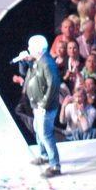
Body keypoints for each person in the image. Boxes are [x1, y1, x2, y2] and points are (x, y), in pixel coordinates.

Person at [13, 34, 62, 177]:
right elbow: (25, 73)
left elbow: (53, 84)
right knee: (38, 129)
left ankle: (55, 166)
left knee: (46, 134)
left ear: (38, 49)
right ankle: (44, 155)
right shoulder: (37, 61)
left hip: (45, 106)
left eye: (31, 47)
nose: (29, 49)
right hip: (37, 105)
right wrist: (24, 62)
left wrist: (44, 104)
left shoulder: (47, 63)